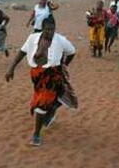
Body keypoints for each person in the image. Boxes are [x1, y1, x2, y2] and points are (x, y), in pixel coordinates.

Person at [5, 18, 77, 147]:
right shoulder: (32, 38)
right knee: (51, 100)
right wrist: (11, 68)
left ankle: (36, 134)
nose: (50, 32)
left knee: (41, 104)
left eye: (52, 29)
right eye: (47, 29)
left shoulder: (60, 40)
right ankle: (52, 110)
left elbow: (72, 51)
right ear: (42, 28)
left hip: (52, 76)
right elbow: (21, 52)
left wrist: (64, 65)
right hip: (37, 76)